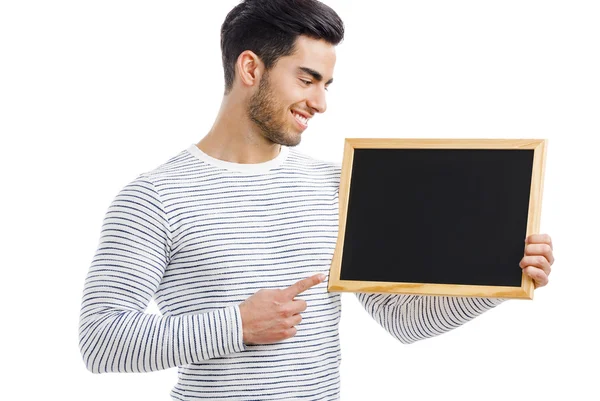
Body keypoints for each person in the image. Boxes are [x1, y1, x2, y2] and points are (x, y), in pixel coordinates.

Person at [78, 0, 555, 400]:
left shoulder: (336, 186)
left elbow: (400, 321)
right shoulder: (154, 197)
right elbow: (100, 342)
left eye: (326, 85)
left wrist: (501, 277)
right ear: (251, 67)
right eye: (306, 80)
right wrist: (238, 324)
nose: (321, 102)